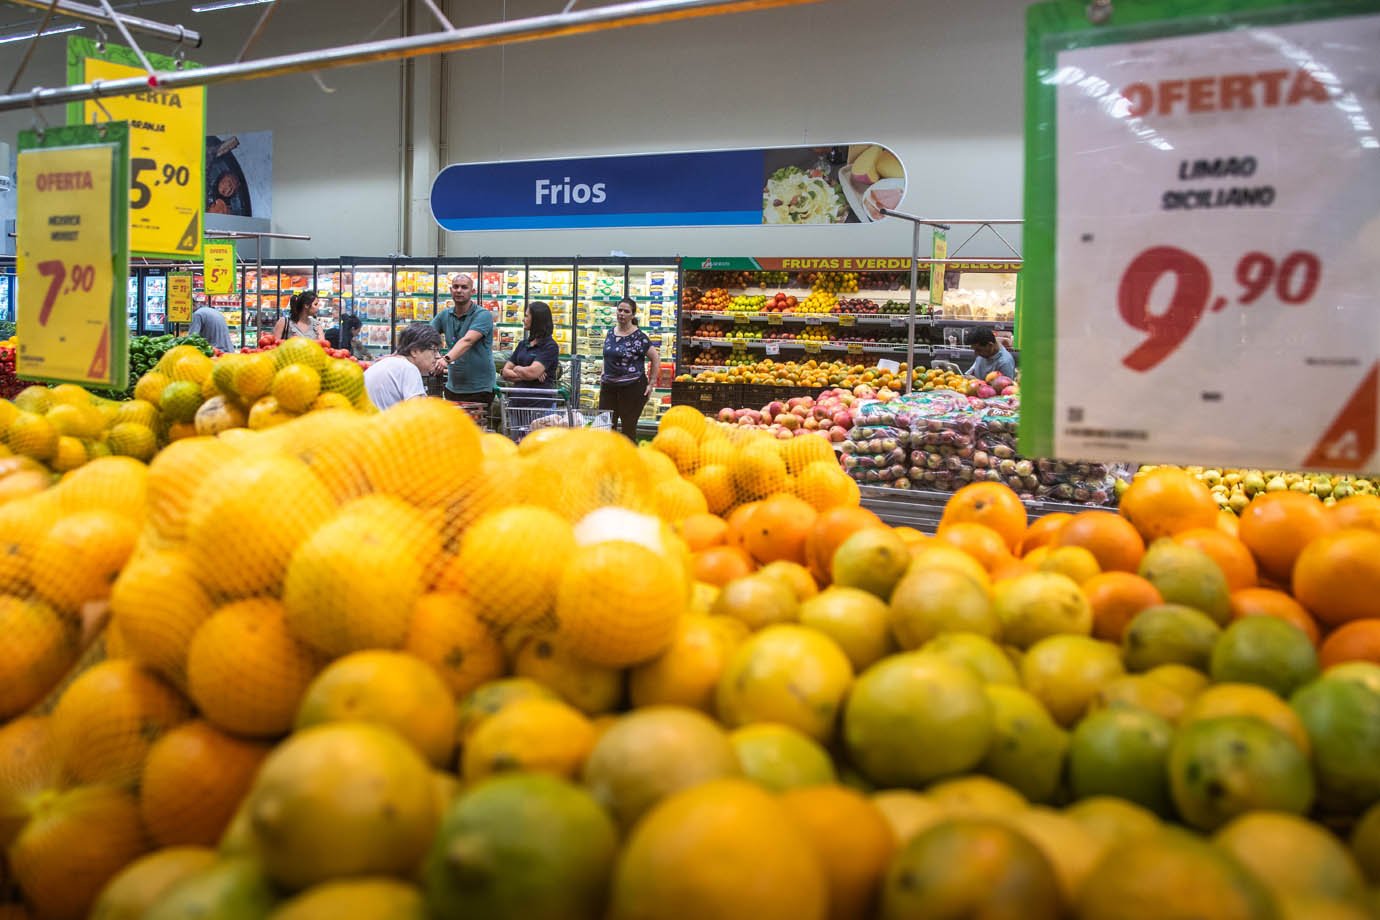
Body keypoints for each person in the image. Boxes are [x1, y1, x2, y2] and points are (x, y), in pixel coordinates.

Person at [598, 297, 660, 441]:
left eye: (626, 311)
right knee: (604, 427)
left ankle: (630, 460)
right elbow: (607, 356)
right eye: (619, 310)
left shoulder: (640, 337)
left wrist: (651, 384)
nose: (622, 314)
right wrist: (603, 374)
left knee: (628, 429)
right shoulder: (610, 332)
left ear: (632, 315)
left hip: (632, 388)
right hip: (608, 388)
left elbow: (655, 358)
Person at [431, 273, 495, 405]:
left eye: (464, 287)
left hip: (479, 388)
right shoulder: (445, 315)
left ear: (472, 291)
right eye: (455, 287)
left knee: (475, 425)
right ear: (450, 290)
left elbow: (468, 341)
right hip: (452, 387)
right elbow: (424, 335)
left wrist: (445, 359)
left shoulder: (483, 315)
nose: (459, 290)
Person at [364, 322, 443, 411]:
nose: (438, 356)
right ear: (414, 351)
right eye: (434, 350)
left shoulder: (387, 364)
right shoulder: (409, 369)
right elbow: (417, 414)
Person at [501, 301, 561, 409]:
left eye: (526, 316)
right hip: (516, 404)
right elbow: (505, 372)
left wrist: (517, 368)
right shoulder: (523, 344)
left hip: (539, 406)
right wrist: (530, 375)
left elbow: (531, 372)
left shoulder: (550, 346)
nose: (523, 319)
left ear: (537, 320)